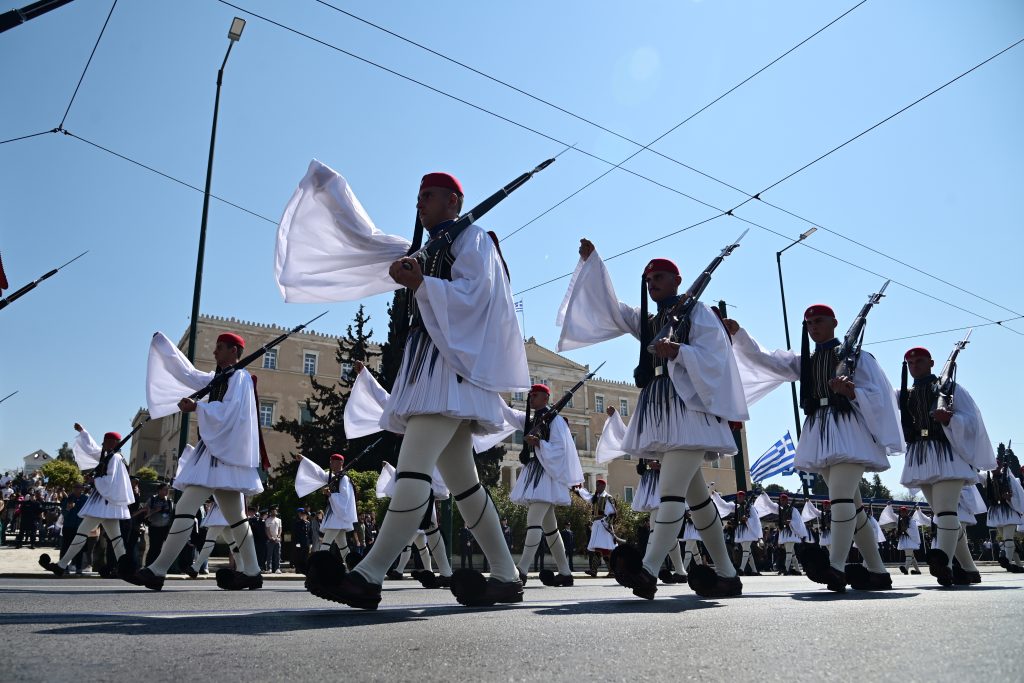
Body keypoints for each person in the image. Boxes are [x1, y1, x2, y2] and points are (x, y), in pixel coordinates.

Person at [280, 158, 536, 611]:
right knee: (465, 484)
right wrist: (331, 191)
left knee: (413, 468)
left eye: (429, 196)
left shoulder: (472, 239)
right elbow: (367, 244)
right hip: (430, 365)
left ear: (454, 201)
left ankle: (369, 574)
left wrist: (424, 284)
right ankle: (507, 574)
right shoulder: (431, 245)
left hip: (449, 368)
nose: (420, 204)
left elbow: (480, 296)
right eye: (418, 197)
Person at [558, 240, 748, 600]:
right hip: (662, 409)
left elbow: (716, 355)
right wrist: (593, 263)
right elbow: (614, 309)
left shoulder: (699, 313)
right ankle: (727, 574)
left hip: (689, 412)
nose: (652, 283)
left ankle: (648, 569)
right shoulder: (651, 321)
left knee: (671, 492)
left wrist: (679, 350)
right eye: (648, 279)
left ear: (677, 280)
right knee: (697, 500)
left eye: (658, 277)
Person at [726, 304, 903, 593]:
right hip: (820, 432)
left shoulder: (857, 358)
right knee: (853, 507)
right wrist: (740, 335)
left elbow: (880, 395)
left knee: (841, 500)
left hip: (849, 431)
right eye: (808, 323)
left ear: (834, 322)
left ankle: (835, 566)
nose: (813, 327)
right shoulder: (806, 361)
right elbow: (767, 360)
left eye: (818, 321)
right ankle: (878, 571)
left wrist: (851, 391)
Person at [130, 331, 264, 591]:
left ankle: (157, 570)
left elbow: (231, 411)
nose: (215, 352)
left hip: (221, 457)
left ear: (234, 351)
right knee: (237, 519)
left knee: (186, 509)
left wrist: (198, 407)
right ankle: (254, 572)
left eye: (220, 348)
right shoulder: (220, 378)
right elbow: (189, 375)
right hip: (214, 455)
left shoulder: (240, 378)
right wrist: (164, 346)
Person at [491, 383, 582, 587]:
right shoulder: (533, 420)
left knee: (533, 522)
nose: (531, 398)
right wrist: (491, 389)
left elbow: (560, 450)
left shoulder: (555, 421)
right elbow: (507, 412)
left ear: (546, 398)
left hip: (545, 476)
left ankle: (521, 570)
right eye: (530, 395)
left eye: (536, 395)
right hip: (536, 473)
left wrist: (539, 443)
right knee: (550, 530)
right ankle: (565, 573)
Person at [39, 425, 133, 578]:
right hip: (106, 502)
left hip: (104, 503)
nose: (103, 444)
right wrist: (83, 432)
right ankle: (125, 569)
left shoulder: (114, 458)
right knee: (116, 538)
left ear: (113, 443)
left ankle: (61, 565)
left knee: (82, 533)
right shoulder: (110, 456)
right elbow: (92, 449)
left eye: (107, 441)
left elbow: (110, 481)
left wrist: (94, 480)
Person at [295, 453, 358, 563]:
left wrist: (330, 495)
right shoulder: (333, 477)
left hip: (338, 516)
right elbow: (318, 472)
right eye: (331, 461)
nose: (331, 464)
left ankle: (318, 567)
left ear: (341, 463)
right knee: (343, 547)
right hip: (335, 514)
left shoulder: (344, 479)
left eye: (334, 462)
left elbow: (345, 498)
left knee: (325, 544)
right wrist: (304, 460)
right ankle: (351, 567)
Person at [573, 479, 617, 578]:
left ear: (604, 486)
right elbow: (586, 496)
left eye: (599, 485)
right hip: (597, 525)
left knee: (603, 549)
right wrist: (577, 489)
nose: (597, 487)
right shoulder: (595, 497)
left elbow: (613, 513)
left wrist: (606, 523)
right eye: (596, 485)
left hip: (603, 525)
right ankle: (597, 570)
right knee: (600, 549)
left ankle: (608, 571)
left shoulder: (607, 498)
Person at [733, 490, 764, 576]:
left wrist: (747, 519)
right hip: (741, 532)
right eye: (738, 496)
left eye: (741, 496)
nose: (739, 498)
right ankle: (754, 571)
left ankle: (741, 569)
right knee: (748, 552)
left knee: (746, 550)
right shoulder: (738, 507)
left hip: (748, 531)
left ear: (744, 497)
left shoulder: (750, 507)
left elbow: (755, 520)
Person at [144, 484, 173, 565]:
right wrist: (155, 511)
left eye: (167, 490)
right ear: (159, 490)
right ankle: (149, 565)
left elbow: (171, 515)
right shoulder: (152, 500)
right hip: (154, 528)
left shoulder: (169, 501)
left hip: (165, 528)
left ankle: (160, 565)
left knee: (164, 549)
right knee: (153, 548)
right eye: (164, 490)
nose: (166, 492)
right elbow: (145, 513)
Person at [265, 507, 282, 573]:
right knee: (269, 555)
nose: (274, 513)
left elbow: (280, 529)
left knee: (277, 555)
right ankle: (269, 568)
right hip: (270, 540)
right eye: (273, 512)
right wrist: (270, 537)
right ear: (270, 512)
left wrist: (278, 536)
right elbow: (267, 530)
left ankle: (277, 568)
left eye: (275, 512)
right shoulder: (268, 520)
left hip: (277, 539)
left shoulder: (279, 520)